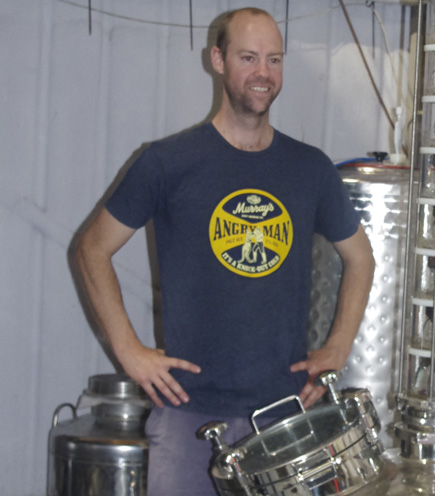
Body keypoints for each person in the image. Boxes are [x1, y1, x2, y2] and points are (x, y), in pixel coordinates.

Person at [74, 7, 375, 495]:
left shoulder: (310, 169)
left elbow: (361, 259)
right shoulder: (167, 163)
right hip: (188, 415)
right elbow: (91, 250)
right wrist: (129, 352)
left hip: (283, 416)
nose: (263, 74)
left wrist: (339, 346)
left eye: (274, 60)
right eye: (248, 58)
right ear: (218, 60)